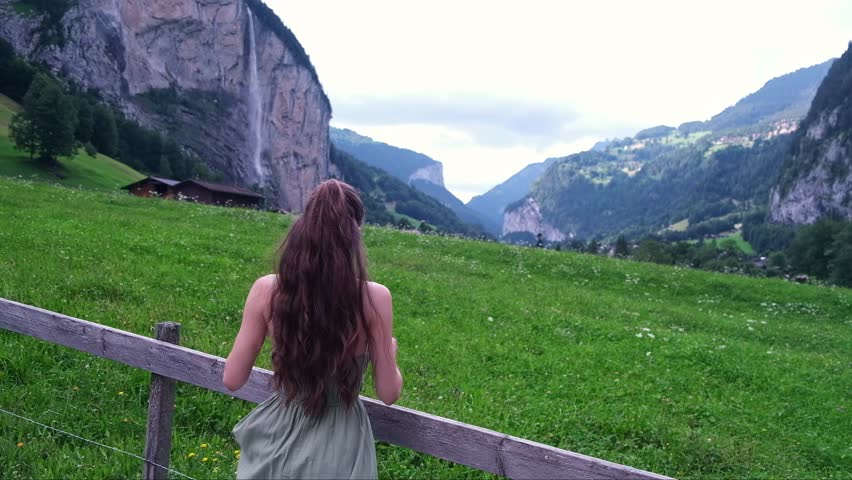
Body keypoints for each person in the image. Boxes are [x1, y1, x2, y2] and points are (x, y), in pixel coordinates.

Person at [223, 179, 403, 479]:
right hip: (340, 444)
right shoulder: (375, 298)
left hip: (276, 439)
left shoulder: (266, 289)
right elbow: (388, 393)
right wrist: (389, 353)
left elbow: (232, 378)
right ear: (355, 233)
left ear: (305, 225)